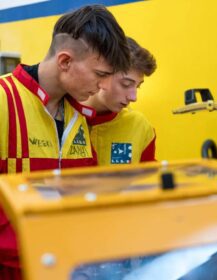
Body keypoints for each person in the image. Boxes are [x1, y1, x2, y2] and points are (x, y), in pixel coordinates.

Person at [0, 4, 130, 279]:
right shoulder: (3, 99)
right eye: (100, 75)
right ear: (65, 61)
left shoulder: (79, 118)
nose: (103, 86)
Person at [84, 37, 157, 165]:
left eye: (138, 86)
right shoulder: (61, 118)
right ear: (101, 74)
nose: (134, 97)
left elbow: (148, 179)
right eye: (126, 84)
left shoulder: (139, 126)